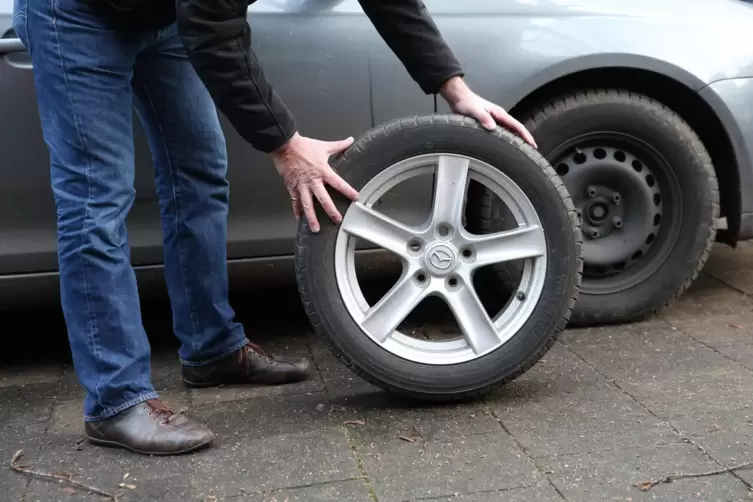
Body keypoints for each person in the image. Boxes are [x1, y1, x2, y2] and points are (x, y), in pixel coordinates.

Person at [13, 0, 537, 456]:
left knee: (198, 176)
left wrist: (454, 87)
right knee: (96, 201)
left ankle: (211, 348)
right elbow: (212, 25)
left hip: (168, 17)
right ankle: (115, 399)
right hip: (78, 14)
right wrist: (286, 146)